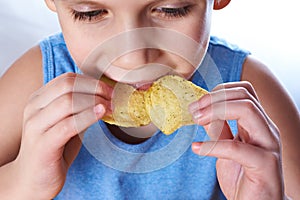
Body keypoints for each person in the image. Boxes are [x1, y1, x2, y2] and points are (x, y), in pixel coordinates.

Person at [0, 0, 299, 199]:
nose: (134, 56)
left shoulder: (249, 96)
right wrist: (23, 182)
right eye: (90, 13)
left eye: (172, 8)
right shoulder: (38, 77)